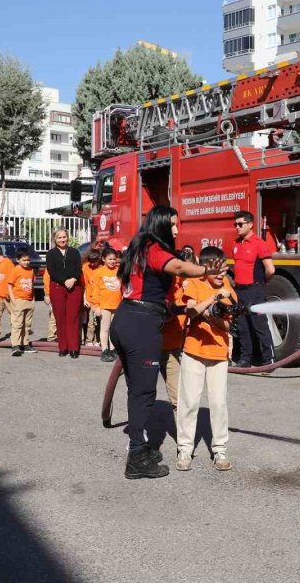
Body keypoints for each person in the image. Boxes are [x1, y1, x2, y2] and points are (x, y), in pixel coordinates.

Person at [110, 205, 227, 480]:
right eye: (173, 225)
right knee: (144, 393)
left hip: (127, 318)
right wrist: (205, 269)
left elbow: (149, 290)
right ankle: (137, 458)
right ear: (161, 224)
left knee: (135, 390)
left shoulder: (138, 247)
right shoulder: (153, 248)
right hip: (141, 325)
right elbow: (176, 267)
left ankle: (140, 446)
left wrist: (177, 310)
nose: (176, 230)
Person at [176, 246, 236, 472]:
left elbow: (229, 324)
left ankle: (219, 449)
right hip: (194, 351)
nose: (222, 275)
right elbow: (190, 312)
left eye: (224, 270)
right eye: (217, 271)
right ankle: (185, 448)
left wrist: (213, 317)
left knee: (219, 403)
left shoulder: (228, 287)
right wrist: (212, 299)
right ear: (206, 269)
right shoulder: (194, 283)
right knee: (189, 401)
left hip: (219, 353)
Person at [231, 211, 275, 368]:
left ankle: (268, 359)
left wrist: (260, 284)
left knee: (259, 325)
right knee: (242, 325)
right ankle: (245, 359)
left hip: (255, 290)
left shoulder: (259, 244)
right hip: (240, 291)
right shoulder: (236, 244)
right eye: (235, 224)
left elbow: (270, 269)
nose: (237, 227)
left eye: (240, 224)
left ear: (250, 224)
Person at [160, 246, 196, 412]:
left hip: (174, 341)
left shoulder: (186, 283)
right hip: (157, 343)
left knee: (178, 391)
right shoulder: (164, 282)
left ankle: (180, 413)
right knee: (143, 389)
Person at [46, 228, 83, 358]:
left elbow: (79, 269)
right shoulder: (51, 254)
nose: (62, 240)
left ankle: (74, 348)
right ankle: (63, 347)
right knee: (60, 318)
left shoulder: (74, 252)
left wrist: (73, 279)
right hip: (57, 287)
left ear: (68, 238)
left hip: (74, 287)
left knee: (72, 318)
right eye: (59, 238)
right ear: (55, 239)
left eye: (64, 237)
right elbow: (52, 271)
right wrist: (64, 281)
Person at [7, 248, 37, 356]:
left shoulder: (30, 270)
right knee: (17, 323)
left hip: (29, 300)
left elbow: (32, 284)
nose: (26, 262)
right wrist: (13, 300)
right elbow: (10, 285)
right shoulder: (15, 270)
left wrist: (33, 298)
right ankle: (15, 345)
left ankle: (25, 344)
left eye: (28, 260)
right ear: (18, 260)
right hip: (18, 300)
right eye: (24, 260)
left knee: (27, 324)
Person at [94, 248, 122, 362]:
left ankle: (113, 348)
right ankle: (105, 349)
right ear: (103, 259)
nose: (112, 261)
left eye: (114, 259)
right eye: (109, 259)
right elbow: (95, 290)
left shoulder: (119, 270)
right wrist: (96, 305)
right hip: (104, 305)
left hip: (117, 305)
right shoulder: (99, 272)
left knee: (114, 329)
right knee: (105, 328)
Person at [82, 249, 102, 347]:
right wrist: (85, 299)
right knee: (91, 322)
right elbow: (84, 285)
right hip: (90, 300)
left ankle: (98, 339)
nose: (93, 264)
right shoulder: (85, 268)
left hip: (100, 300)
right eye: (91, 261)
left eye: (95, 262)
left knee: (99, 322)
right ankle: (89, 339)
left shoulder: (102, 268)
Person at [42, 268, 57, 342]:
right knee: (53, 317)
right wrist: (47, 295)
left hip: (60, 294)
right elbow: (46, 282)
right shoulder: (50, 268)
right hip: (52, 294)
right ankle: (52, 337)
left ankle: (57, 335)